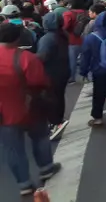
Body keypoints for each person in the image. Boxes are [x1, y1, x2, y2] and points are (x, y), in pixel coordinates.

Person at [0, 23, 62, 197]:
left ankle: (24, 183)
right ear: (18, 38)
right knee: (41, 137)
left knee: (13, 149)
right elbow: (41, 81)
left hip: (4, 113)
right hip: (30, 108)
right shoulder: (26, 57)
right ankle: (46, 168)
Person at [35, 12, 71, 141]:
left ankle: (55, 122)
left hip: (51, 72)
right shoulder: (62, 35)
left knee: (51, 98)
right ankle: (59, 120)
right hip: (63, 70)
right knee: (59, 96)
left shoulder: (47, 38)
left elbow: (42, 57)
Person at [62, 0, 88, 83]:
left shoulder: (68, 14)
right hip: (86, 39)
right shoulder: (86, 13)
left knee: (72, 60)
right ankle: (87, 76)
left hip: (72, 40)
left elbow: (65, 27)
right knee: (86, 59)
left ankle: (72, 77)